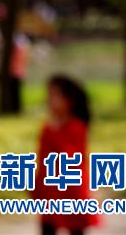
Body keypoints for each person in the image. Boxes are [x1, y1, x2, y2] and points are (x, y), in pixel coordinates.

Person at [35, 75, 99, 235]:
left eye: (55, 95)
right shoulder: (47, 128)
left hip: (71, 190)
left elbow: (72, 158)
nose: (49, 100)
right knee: (48, 227)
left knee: (76, 228)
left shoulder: (76, 127)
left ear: (69, 100)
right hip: (49, 189)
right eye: (48, 96)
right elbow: (42, 159)